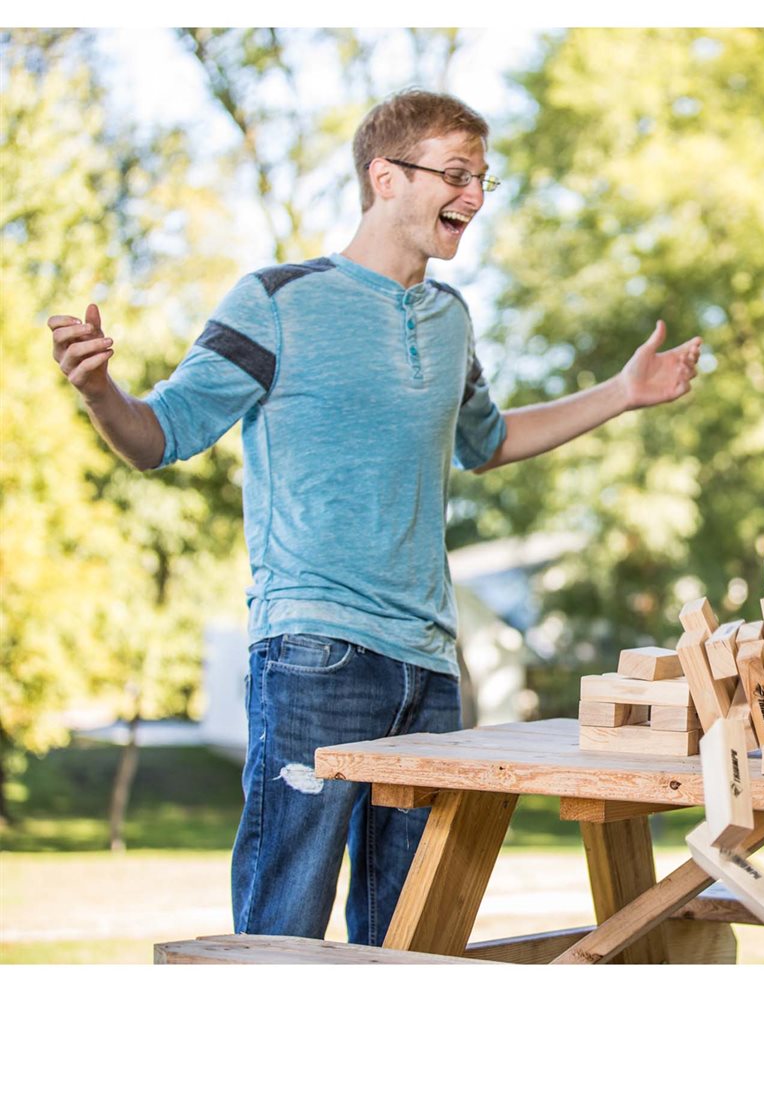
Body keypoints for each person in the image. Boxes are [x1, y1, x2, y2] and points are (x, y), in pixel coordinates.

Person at [48, 88, 702, 948]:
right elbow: (159, 435)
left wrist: (621, 395)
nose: (473, 196)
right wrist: (101, 391)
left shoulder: (452, 321)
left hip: (429, 667)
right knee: (282, 938)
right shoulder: (276, 301)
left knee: (412, 938)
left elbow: (490, 441)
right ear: (385, 177)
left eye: (482, 179)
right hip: (316, 652)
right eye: (456, 174)